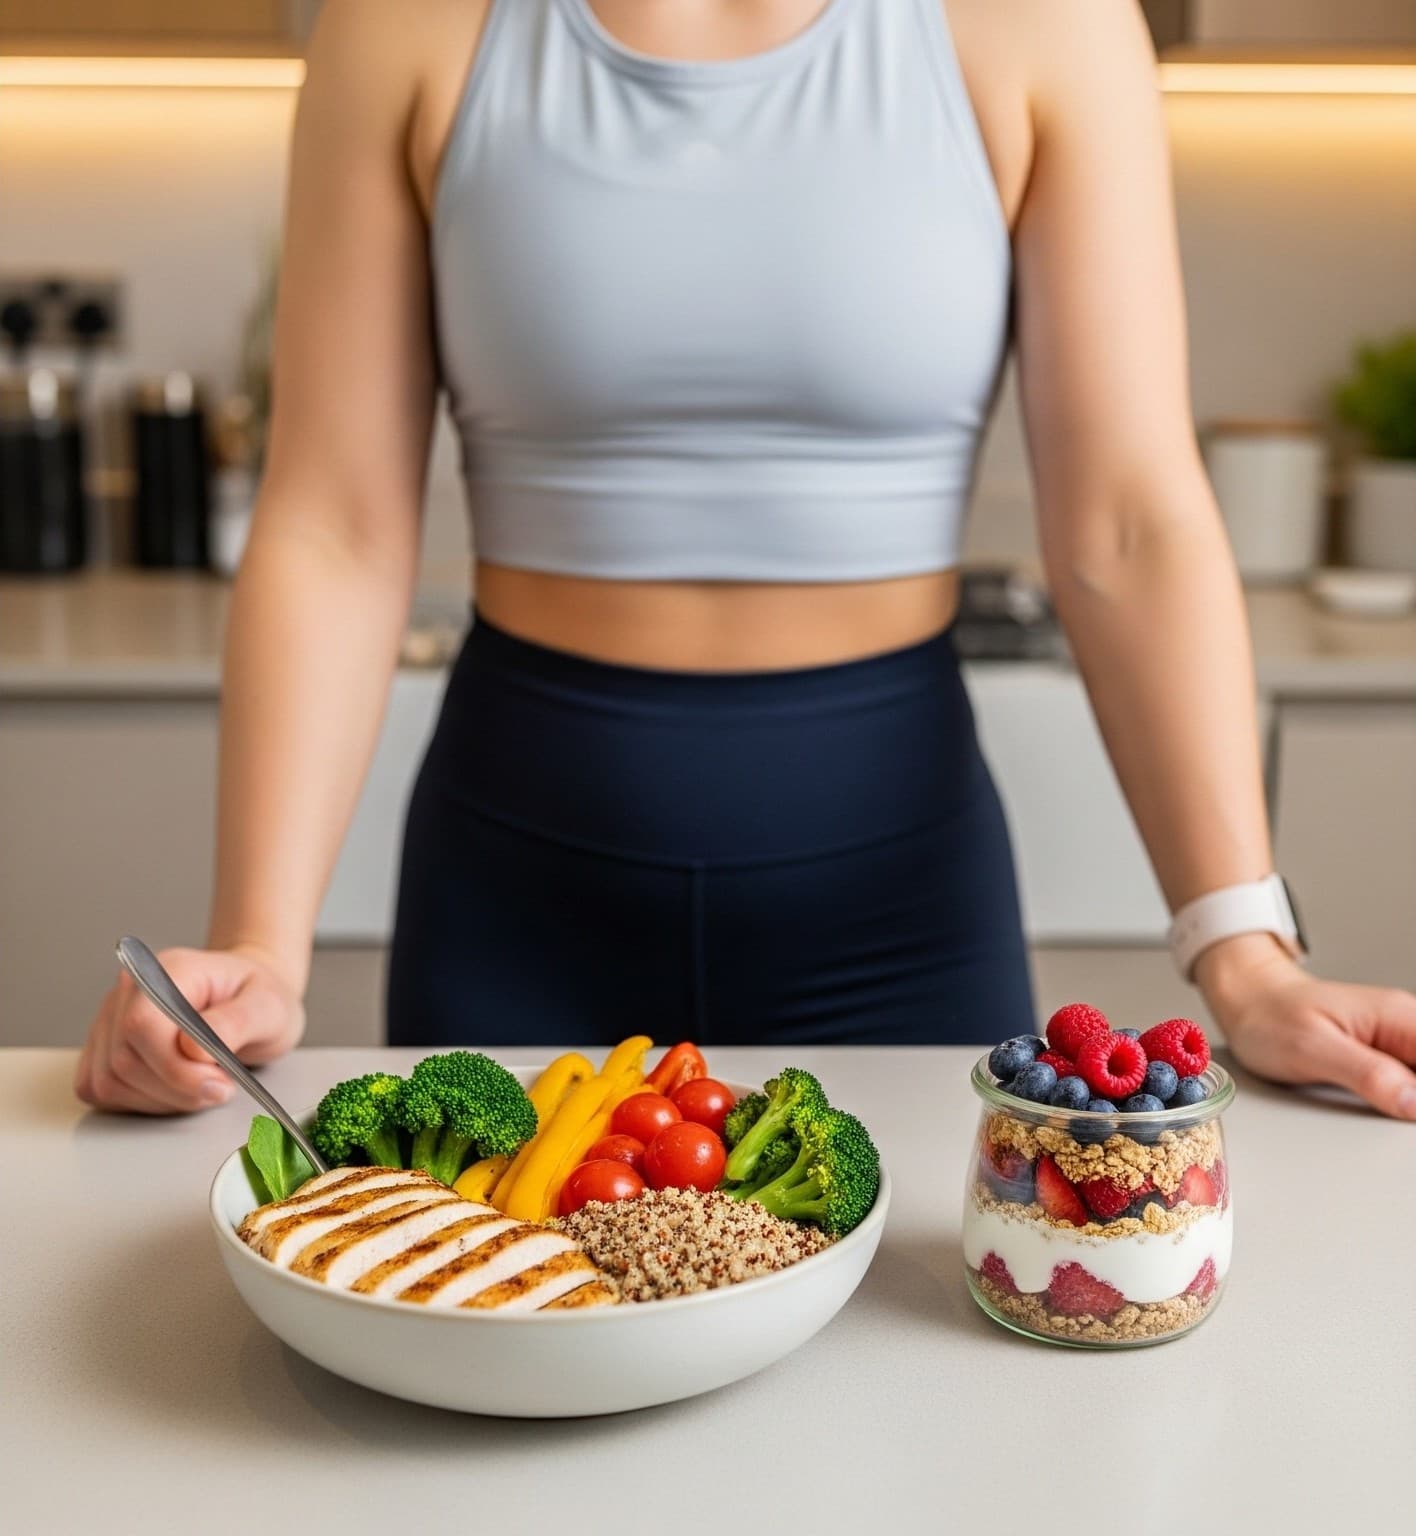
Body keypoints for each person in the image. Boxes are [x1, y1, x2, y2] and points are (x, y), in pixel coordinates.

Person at [76, 0, 1416, 1118]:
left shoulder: (1045, 22)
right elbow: (334, 523)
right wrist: (259, 942)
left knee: (944, 1412)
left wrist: (1245, 956)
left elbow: (1131, 521)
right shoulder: (411, 24)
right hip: (516, 904)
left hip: (899, 911)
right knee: (477, 1395)